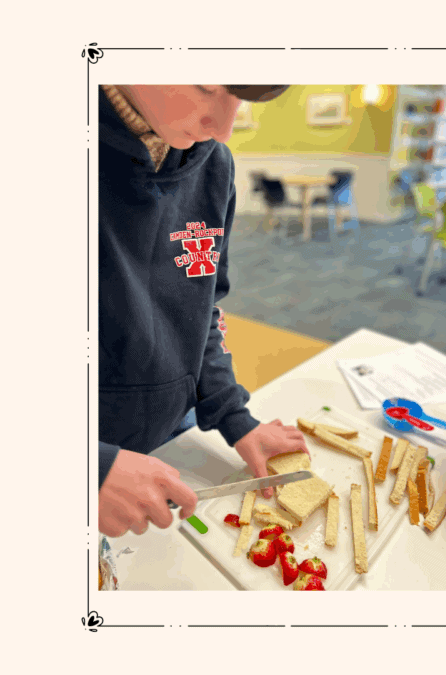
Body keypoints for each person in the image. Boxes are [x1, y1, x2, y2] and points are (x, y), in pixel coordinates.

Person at [98, 84, 308, 538]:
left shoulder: (215, 165)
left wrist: (235, 417)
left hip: (171, 438)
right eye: (206, 86)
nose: (226, 127)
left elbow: (202, 309)